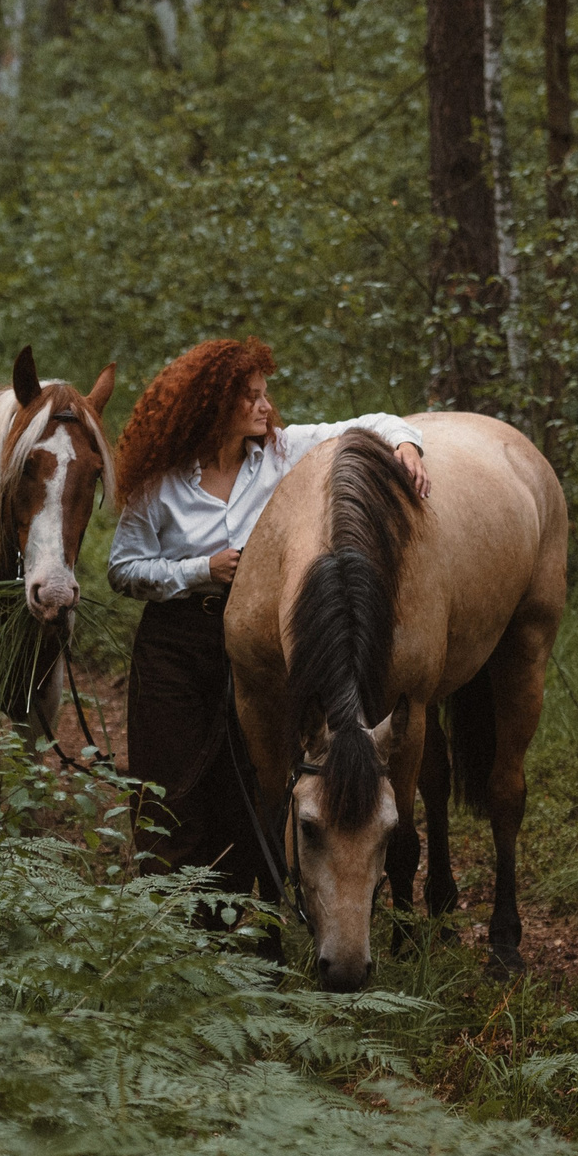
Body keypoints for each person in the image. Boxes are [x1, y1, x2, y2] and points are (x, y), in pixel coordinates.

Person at [107, 339, 431, 901]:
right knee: (169, 781)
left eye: (263, 394)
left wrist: (406, 445)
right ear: (212, 407)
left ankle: (237, 910)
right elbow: (121, 569)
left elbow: (372, 422)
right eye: (250, 398)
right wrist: (199, 570)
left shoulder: (284, 453)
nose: (265, 406)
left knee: (246, 779)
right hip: (177, 640)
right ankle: (170, 917)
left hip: (259, 646)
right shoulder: (160, 483)